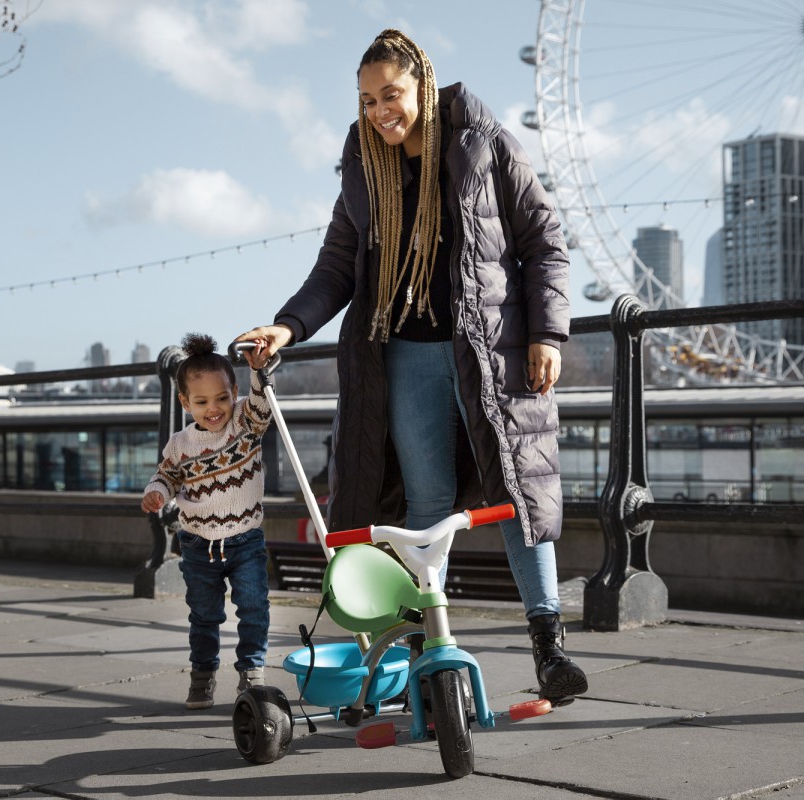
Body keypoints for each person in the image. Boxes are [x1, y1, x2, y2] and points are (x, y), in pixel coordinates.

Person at [235, 29, 587, 704]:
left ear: (421, 85)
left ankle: (549, 648)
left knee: (515, 493)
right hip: (404, 356)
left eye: (389, 95)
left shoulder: (483, 143)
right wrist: (287, 325)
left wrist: (548, 333)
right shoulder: (365, 168)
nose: (379, 112)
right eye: (366, 100)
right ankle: (432, 654)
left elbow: (545, 241)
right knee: (423, 507)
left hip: (492, 353)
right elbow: (338, 266)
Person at [141, 333, 273, 710]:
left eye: (222, 398)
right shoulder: (180, 444)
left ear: (234, 391)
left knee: (253, 607)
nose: (213, 409)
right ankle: (203, 675)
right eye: (201, 402)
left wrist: (259, 371)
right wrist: (157, 492)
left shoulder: (245, 426)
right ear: (184, 403)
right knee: (204, 615)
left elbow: (263, 405)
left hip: (245, 540)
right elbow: (166, 476)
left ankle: (252, 670)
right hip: (198, 544)